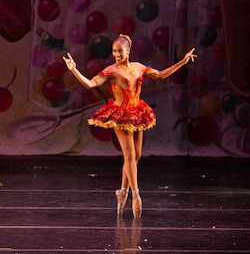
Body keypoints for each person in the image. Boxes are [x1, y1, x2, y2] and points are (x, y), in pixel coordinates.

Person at [63, 34, 197, 218]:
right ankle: (136, 195)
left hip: (137, 113)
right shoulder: (112, 71)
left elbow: (160, 74)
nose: (117, 54)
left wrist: (182, 61)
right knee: (130, 155)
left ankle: (122, 191)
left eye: (120, 51)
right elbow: (90, 84)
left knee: (136, 156)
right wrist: (74, 70)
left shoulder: (139, 68)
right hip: (120, 114)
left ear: (128, 50)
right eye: (114, 51)